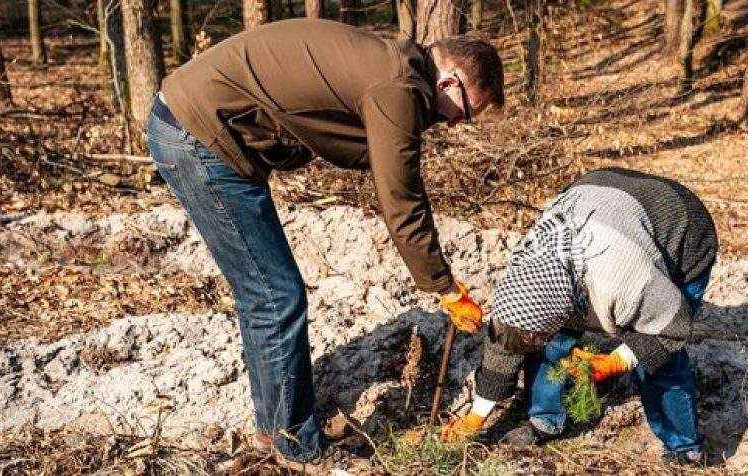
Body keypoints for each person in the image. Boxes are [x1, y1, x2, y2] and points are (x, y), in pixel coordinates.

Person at [145, 19, 502, 467]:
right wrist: (444, 287)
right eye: (465, 111)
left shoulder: (393, 67)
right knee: (275, 297)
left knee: (268, 296)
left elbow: (362, 151)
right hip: (198, 133)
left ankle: (275, 431)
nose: (454, 124)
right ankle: (295, 447)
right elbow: (402, 200)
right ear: (449, 81)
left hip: (198, 123)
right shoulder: (397, 87)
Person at [441, 167, 718, 465]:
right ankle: (546, 420)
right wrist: (476, 417)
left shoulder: (623, 283)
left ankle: (685, 447)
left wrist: (616, 361)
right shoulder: (526, 270)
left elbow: (670, 330)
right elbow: (509, 342)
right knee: (550, 339)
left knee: (658, 362)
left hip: (681, 223)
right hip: (600, 196)